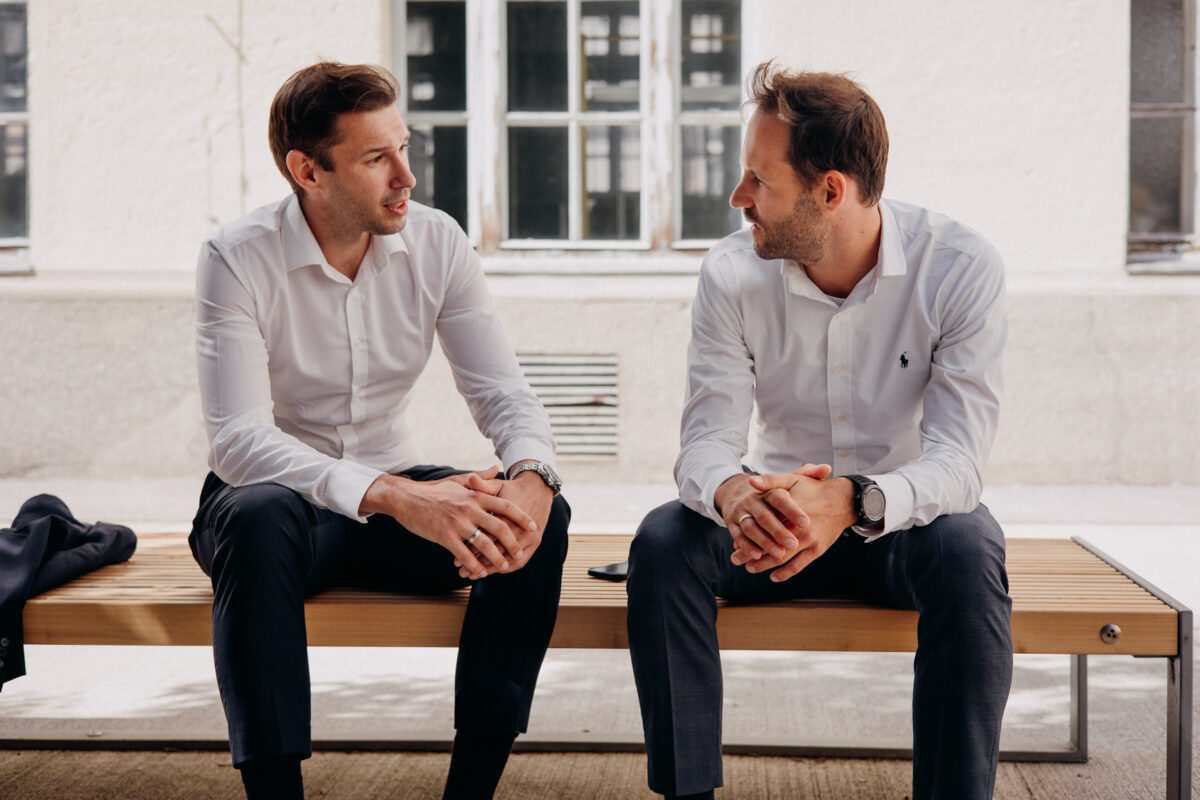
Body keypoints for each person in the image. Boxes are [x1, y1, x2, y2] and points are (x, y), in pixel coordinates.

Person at [626, 61, 1012, 800]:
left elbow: (960, 463)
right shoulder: (732, 272)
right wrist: (738, 494)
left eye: (758, 181)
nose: (738, 198)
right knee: (664, 541)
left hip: (901, 526)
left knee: (971, 546)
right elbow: (705, 443)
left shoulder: (958, 267)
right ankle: (687, 793)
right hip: (770, 527)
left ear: (828, 191)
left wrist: (856, 500)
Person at [189, 61, 569, 800]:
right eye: (376, 158)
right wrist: (394, 495)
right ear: (309, 171)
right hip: (280, 518)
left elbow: (502, 393)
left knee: (534, 518)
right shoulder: (235, 257)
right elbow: (236, 440)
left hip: (396, 512)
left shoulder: (438, 243)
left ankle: (471, 792)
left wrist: (533, 473)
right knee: (257, 512)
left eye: (405, 147)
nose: (407, 176)